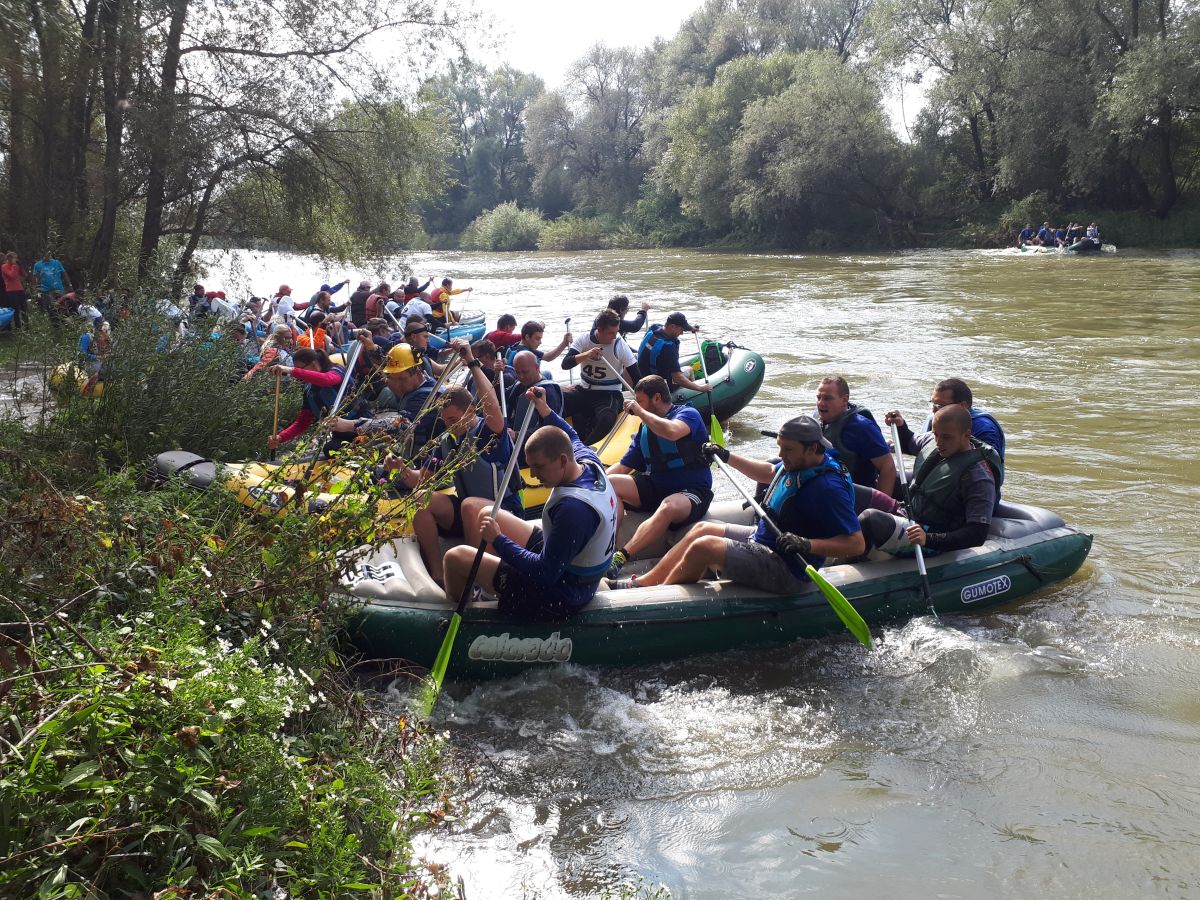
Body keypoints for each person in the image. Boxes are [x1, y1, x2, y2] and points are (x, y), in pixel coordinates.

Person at [610, 415, 864, 591]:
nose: (780, 455)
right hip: (764, 540)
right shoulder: (799, 463)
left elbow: (855, 543)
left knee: (705, 546)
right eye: (780, 447)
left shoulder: (829, 488)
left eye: (787, 450)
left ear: (812, 449)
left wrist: (806, 544)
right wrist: (726, 455)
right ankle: (642, 583)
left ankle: (658, 599)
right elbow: (767, 472)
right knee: (701, 530)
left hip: (788, 568)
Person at [444, 386, 619, 620]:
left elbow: (543, 573)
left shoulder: (573, 510)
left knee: (454, 557)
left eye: (539, 467)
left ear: (563, 460)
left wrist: (498, 540)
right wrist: (544, 409)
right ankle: (488, 583)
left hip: (560, 592)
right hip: (567, 565)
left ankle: (472, 609)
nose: (533, 475)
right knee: (488, 512)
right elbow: (570, 433)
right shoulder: (588, 460)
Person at [409, 340, 521, 585]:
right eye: (445, 421)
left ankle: (476, 579)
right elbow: (422, 479)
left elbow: (492, 406)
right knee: (420, 500)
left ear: (471, 410)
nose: (450, 425)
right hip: (467, 511)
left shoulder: (488, 432)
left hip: (504, 511)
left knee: (471, 506)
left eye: (454, 419)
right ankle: (438, 575)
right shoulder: (447, 440)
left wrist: (472, 363)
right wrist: (399, 468)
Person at [604, 375, 713, 579]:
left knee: (668, 506)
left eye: (641, 401)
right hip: (657, 487)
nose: (637, 406)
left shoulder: (688, 414)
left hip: (691, 492)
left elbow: (672, 432)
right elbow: (623, 467)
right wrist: (592, 482)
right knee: (610, 483)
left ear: (656, 398)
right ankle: (607, 549)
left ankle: (621, 557)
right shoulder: (645, 428)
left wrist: (640, 412)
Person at [858, 405, 1003, 556]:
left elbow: (976, 534)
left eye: (946, 437)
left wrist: (928, 538)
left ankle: (846, 562)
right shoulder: (933, 440)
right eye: (936, 435)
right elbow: (909, 442)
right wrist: (901, 426)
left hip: (930, 535)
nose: (939, 442)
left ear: (966, 435)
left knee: (871, 519)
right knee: (848, 490)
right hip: (907, 511)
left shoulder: (978, 476)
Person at [561, 308, 640, 444]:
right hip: (584, 391)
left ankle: (585, 449)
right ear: (599, 329)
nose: (615, 336)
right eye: (611, 333)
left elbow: (636, 375)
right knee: (554, 396)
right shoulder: (584, 339)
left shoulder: (619, 344)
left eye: (616, 332)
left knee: (606, 418)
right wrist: (587, 354)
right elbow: (565, 364)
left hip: (609, 394)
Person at [813, 376, 896, 497]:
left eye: (827, 398)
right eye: (819, 397)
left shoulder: (863, 428)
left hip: (853, 493)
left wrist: (882, 507)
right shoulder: (816, 418)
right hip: (824, 486)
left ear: (844, 400)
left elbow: (887, 467)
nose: (821, 403)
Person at [891, 377, 1006, 461]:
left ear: (963, 406)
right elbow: (917, 447)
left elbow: (991, 467)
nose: (934, 411)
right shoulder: (935, 419)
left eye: (940, 406)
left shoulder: (984, 429)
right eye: (933, 404)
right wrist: (901, 426)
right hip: (935, 478)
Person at [267, 348, 350, 450]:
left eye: (301, 369)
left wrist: (290, 370)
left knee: (331, 448)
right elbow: (302, 423)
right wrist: (280, 437)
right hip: (340, 434)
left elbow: (327, 380)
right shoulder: (310, 391)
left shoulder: (337, 371)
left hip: (360, 426)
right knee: (330, 449)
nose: (299, 376)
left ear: (314, 364)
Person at [638, 312, 715, 394]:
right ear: (672, 327)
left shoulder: (654, 329)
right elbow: (677, 377)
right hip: (660, 385)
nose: (682, 333)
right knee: (690, 369)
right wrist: (700, 388)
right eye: (681, 330)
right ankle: (693, 394)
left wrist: (691, 328)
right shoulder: (668, 347)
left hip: (643, 375)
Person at [507, 350, 564, 438]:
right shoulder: (519, 385)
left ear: (537, 368)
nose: (521, 377)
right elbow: (502, 397)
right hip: (514, 437)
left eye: (525, 372)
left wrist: (517, 435)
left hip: (535, 445)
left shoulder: (549, 392)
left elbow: (550, 427)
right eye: (517, 372)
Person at [504, 320, 572, 367]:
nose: (540, 342)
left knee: (547, 373)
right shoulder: (526, 356)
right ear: (527, 337)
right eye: (537, 339)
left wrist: (564, 343)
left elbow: (548, 357)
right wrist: (560, 388)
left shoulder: (516, 346)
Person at [33, 251, 70, 318]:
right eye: (46, 256)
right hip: (45, 291)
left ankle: (64, 323)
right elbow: (35, 278)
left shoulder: (56, 262)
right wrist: (35, 289)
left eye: (49, 255)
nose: (48, 257)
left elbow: (64, 273)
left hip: (58, 289)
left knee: (62, 308)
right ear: (43, 256)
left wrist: (69, 284)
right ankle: (54, 324)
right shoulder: (38, 265)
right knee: (51, 310)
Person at [2, 251, 29, 329]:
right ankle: (18, 326)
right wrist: (14, 266)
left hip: (20, 289)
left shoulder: (16, 265)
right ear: (9, 258)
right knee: (16, 309)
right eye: (15, 258)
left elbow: (24, 275)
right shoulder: (4, 266)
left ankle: (27, 326)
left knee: (24, 308)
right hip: (11, 290)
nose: (16, 259)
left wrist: (21, 267)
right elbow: (11, 275)